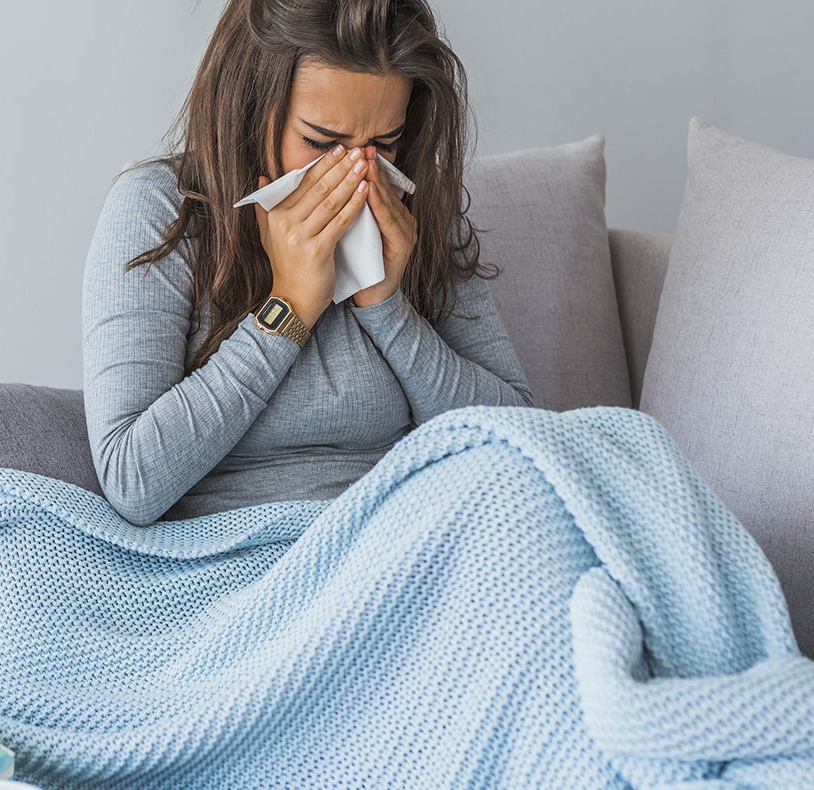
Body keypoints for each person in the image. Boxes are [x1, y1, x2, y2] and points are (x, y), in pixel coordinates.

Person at [81, 0, 533, 527]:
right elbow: (132, 481)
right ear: (250, 106)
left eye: (384, 143)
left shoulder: (414, 211)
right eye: (321, 142)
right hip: (243, 549)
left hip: (407, 530)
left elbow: (521, 439)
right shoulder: (158, 208)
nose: (356, 174)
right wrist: (289, 307)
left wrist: (387, 307)